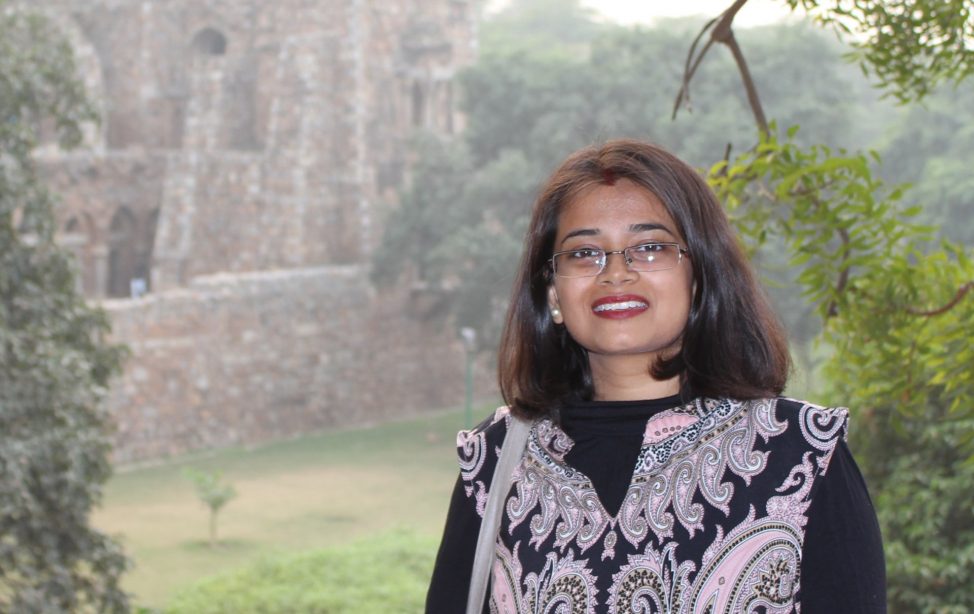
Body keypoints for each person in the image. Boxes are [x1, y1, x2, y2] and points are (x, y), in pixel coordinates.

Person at [426, 139, 886, 613]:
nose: (616, 273)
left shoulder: (801, 456)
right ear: (552, 293)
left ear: (701, 275)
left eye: (649, 248)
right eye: (584, 253)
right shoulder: (496, 462)